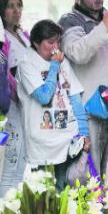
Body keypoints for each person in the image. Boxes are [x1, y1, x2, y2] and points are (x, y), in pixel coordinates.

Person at [58, 0, 108, 175]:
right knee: (91, 171)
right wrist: (104, 27)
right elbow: (78, 53)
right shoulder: (70, 21)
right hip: (90, 110)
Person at [18, 20, 91, 191]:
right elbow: (44, 96)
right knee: (48, 193)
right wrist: (54, 66)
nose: (55, 46)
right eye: (50, 42)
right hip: (44, 142)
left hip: (68, 138)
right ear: (36, 43)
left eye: (58, 41)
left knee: (69, 189)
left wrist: (84, 133)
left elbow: (74, 97)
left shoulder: (61, 60)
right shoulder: (27, 63)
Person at [0, 0, 30, 199]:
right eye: (10, 6)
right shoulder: (2, 38)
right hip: (14, 103)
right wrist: (21, 94)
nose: (16, 11)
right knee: (11, 159)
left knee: (23, 159)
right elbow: (5, 71)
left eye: (18, 5)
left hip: (28, 101)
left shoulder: (23, 35)